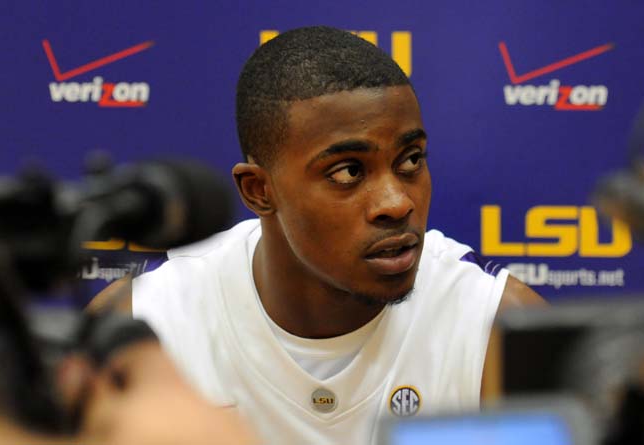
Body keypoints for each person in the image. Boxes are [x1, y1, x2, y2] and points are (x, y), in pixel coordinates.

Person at [92, 25, 543, 444]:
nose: (396, 202)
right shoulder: (145, 325)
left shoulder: (499, 328)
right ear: (259, 190)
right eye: (348, 171)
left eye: (410, 160)